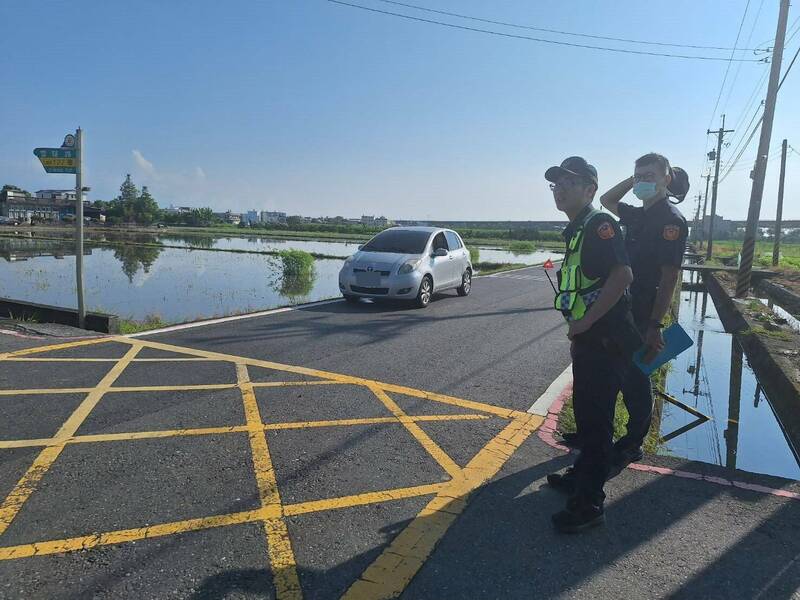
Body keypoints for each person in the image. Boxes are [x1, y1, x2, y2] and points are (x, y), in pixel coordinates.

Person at [544, 156, 639, 533]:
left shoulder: (600, 224)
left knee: (596, 423)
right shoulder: (579, 228)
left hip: (606, 340)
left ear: (590, 189)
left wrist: (585, 322)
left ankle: (589, 505)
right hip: (591, 340)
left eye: (569, 182)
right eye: (556, 183)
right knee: (586, 418)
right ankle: (580, 477)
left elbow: (623, 275)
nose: (560, 188)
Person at [600, 153, 689, 470]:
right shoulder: (637, 215)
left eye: (650, 176)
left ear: (667, 179)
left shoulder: (671, 221)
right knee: (612, 374)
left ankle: (632, 444)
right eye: (640, 176)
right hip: (621, 307)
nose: (643, 182)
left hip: (644, 312)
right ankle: (600, 437)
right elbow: (607, 198)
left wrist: (655, 324)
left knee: (637, 379)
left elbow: (669, 278)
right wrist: (634, 179)